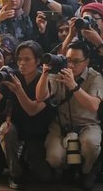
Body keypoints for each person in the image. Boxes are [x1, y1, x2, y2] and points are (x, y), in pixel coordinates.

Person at [36, 41, 103, 190]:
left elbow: (93, 105)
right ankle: (67, 169)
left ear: (87, 62)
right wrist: (45, 74)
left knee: (90, 144)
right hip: (62, 125)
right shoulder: (60, 73)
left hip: (87, 124)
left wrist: (74, 86)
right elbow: (40, 97)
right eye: (68, 60)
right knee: (53, 158)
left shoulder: (95, 77)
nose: (71, 65)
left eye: (76, 61)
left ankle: (87, 171)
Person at [0, 41, 53, 189]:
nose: (22, 63)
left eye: (27, 59)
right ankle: (15, 174)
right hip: (14, 125)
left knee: (44, 176)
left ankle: (27, 162)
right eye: (19, 59)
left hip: (37, 131)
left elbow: (32, 110)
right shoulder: (12, 76)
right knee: (6, 130)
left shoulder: (43, 80)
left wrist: (19, 90)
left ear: (38, 61)